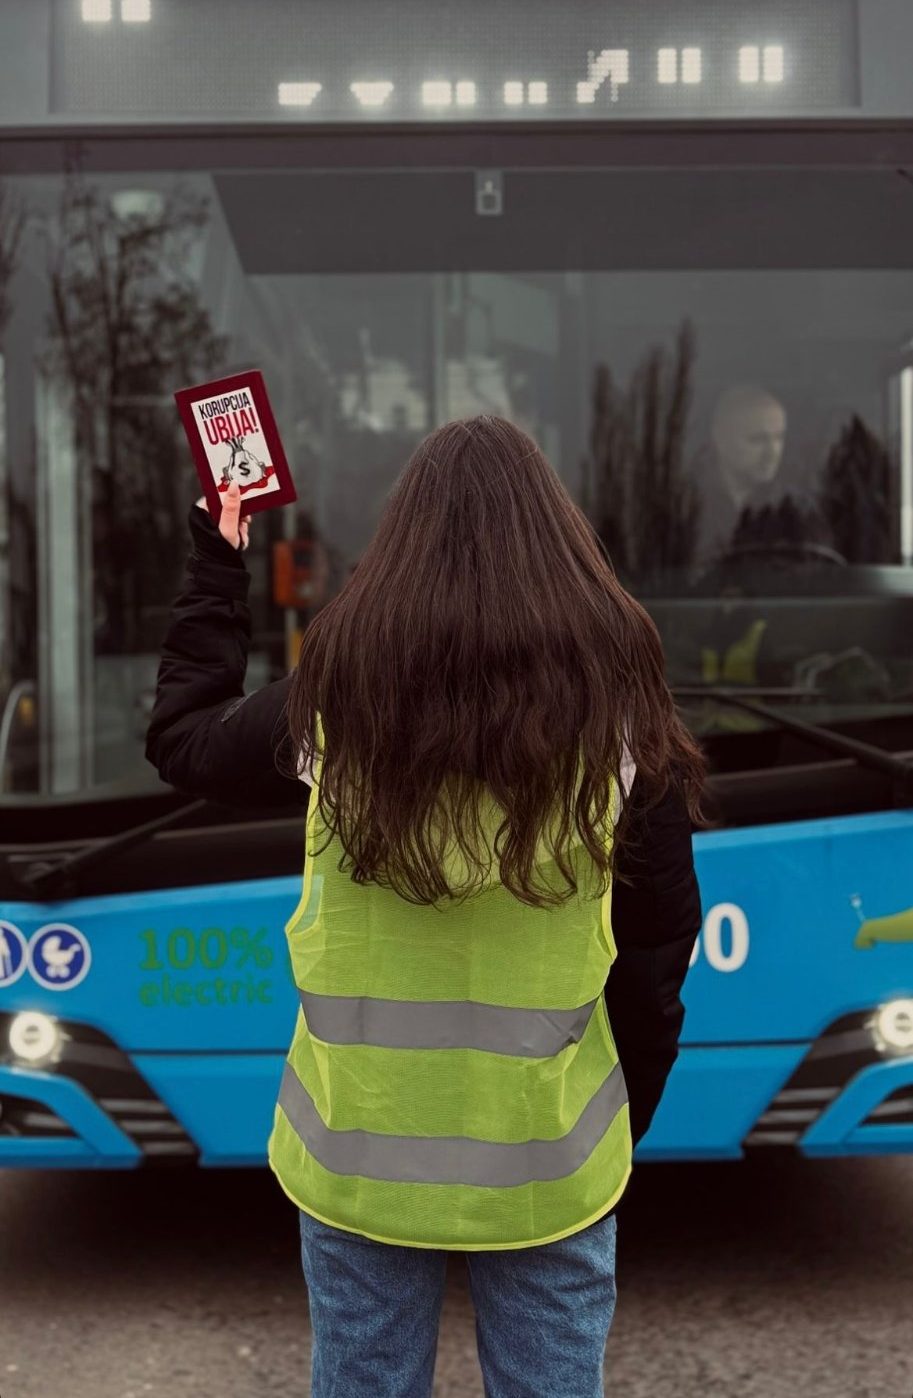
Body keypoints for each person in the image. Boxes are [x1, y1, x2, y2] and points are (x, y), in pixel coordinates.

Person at [146, 416, 704, 1398]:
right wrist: (619, 1114)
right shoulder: (621, 719)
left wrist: (218, 560)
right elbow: (659, 947)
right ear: (559, 547)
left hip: (356, 1160)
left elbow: (185, 740)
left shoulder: (331, 704)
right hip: (549, 1164)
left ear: (399, 544)